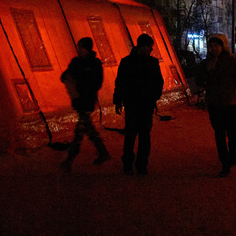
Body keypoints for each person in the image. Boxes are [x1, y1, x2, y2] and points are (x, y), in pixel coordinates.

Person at [197, 33, 236, 177]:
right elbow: (199, 82)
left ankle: (232, 151)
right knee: (219, 134)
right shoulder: (205, 63)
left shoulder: (231, 62)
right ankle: (225, 162)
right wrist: (207, 71)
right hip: (214, 103)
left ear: (222, 46)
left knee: (233, 132)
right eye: (211, 46)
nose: (213, 49)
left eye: (216, 46)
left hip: (229, 103)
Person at [112, 34, 164, 175]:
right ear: (142, 46)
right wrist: (153, 97)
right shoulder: (151, 63)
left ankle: (132, 163)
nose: (151, 49)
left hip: (135, 103)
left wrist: (118, 100)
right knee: (140, 135)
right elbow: (120, 83)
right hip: (141, 104)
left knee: (134, 134)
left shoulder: (127, 62)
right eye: (149, 46)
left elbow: (120, 83)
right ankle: (138, 164)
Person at [59, 38, 111, 172]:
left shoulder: (94, 63)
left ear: (88, 48)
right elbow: (65, 75)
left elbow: (97, 83)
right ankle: (102, 152)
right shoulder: (76, 62)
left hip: (87, 100)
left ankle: (70, 159)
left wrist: (83, 84)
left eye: (82, 47)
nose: (79, 50)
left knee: (80, 130)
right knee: (86, 128)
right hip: (78, 100)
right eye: (79, 47)